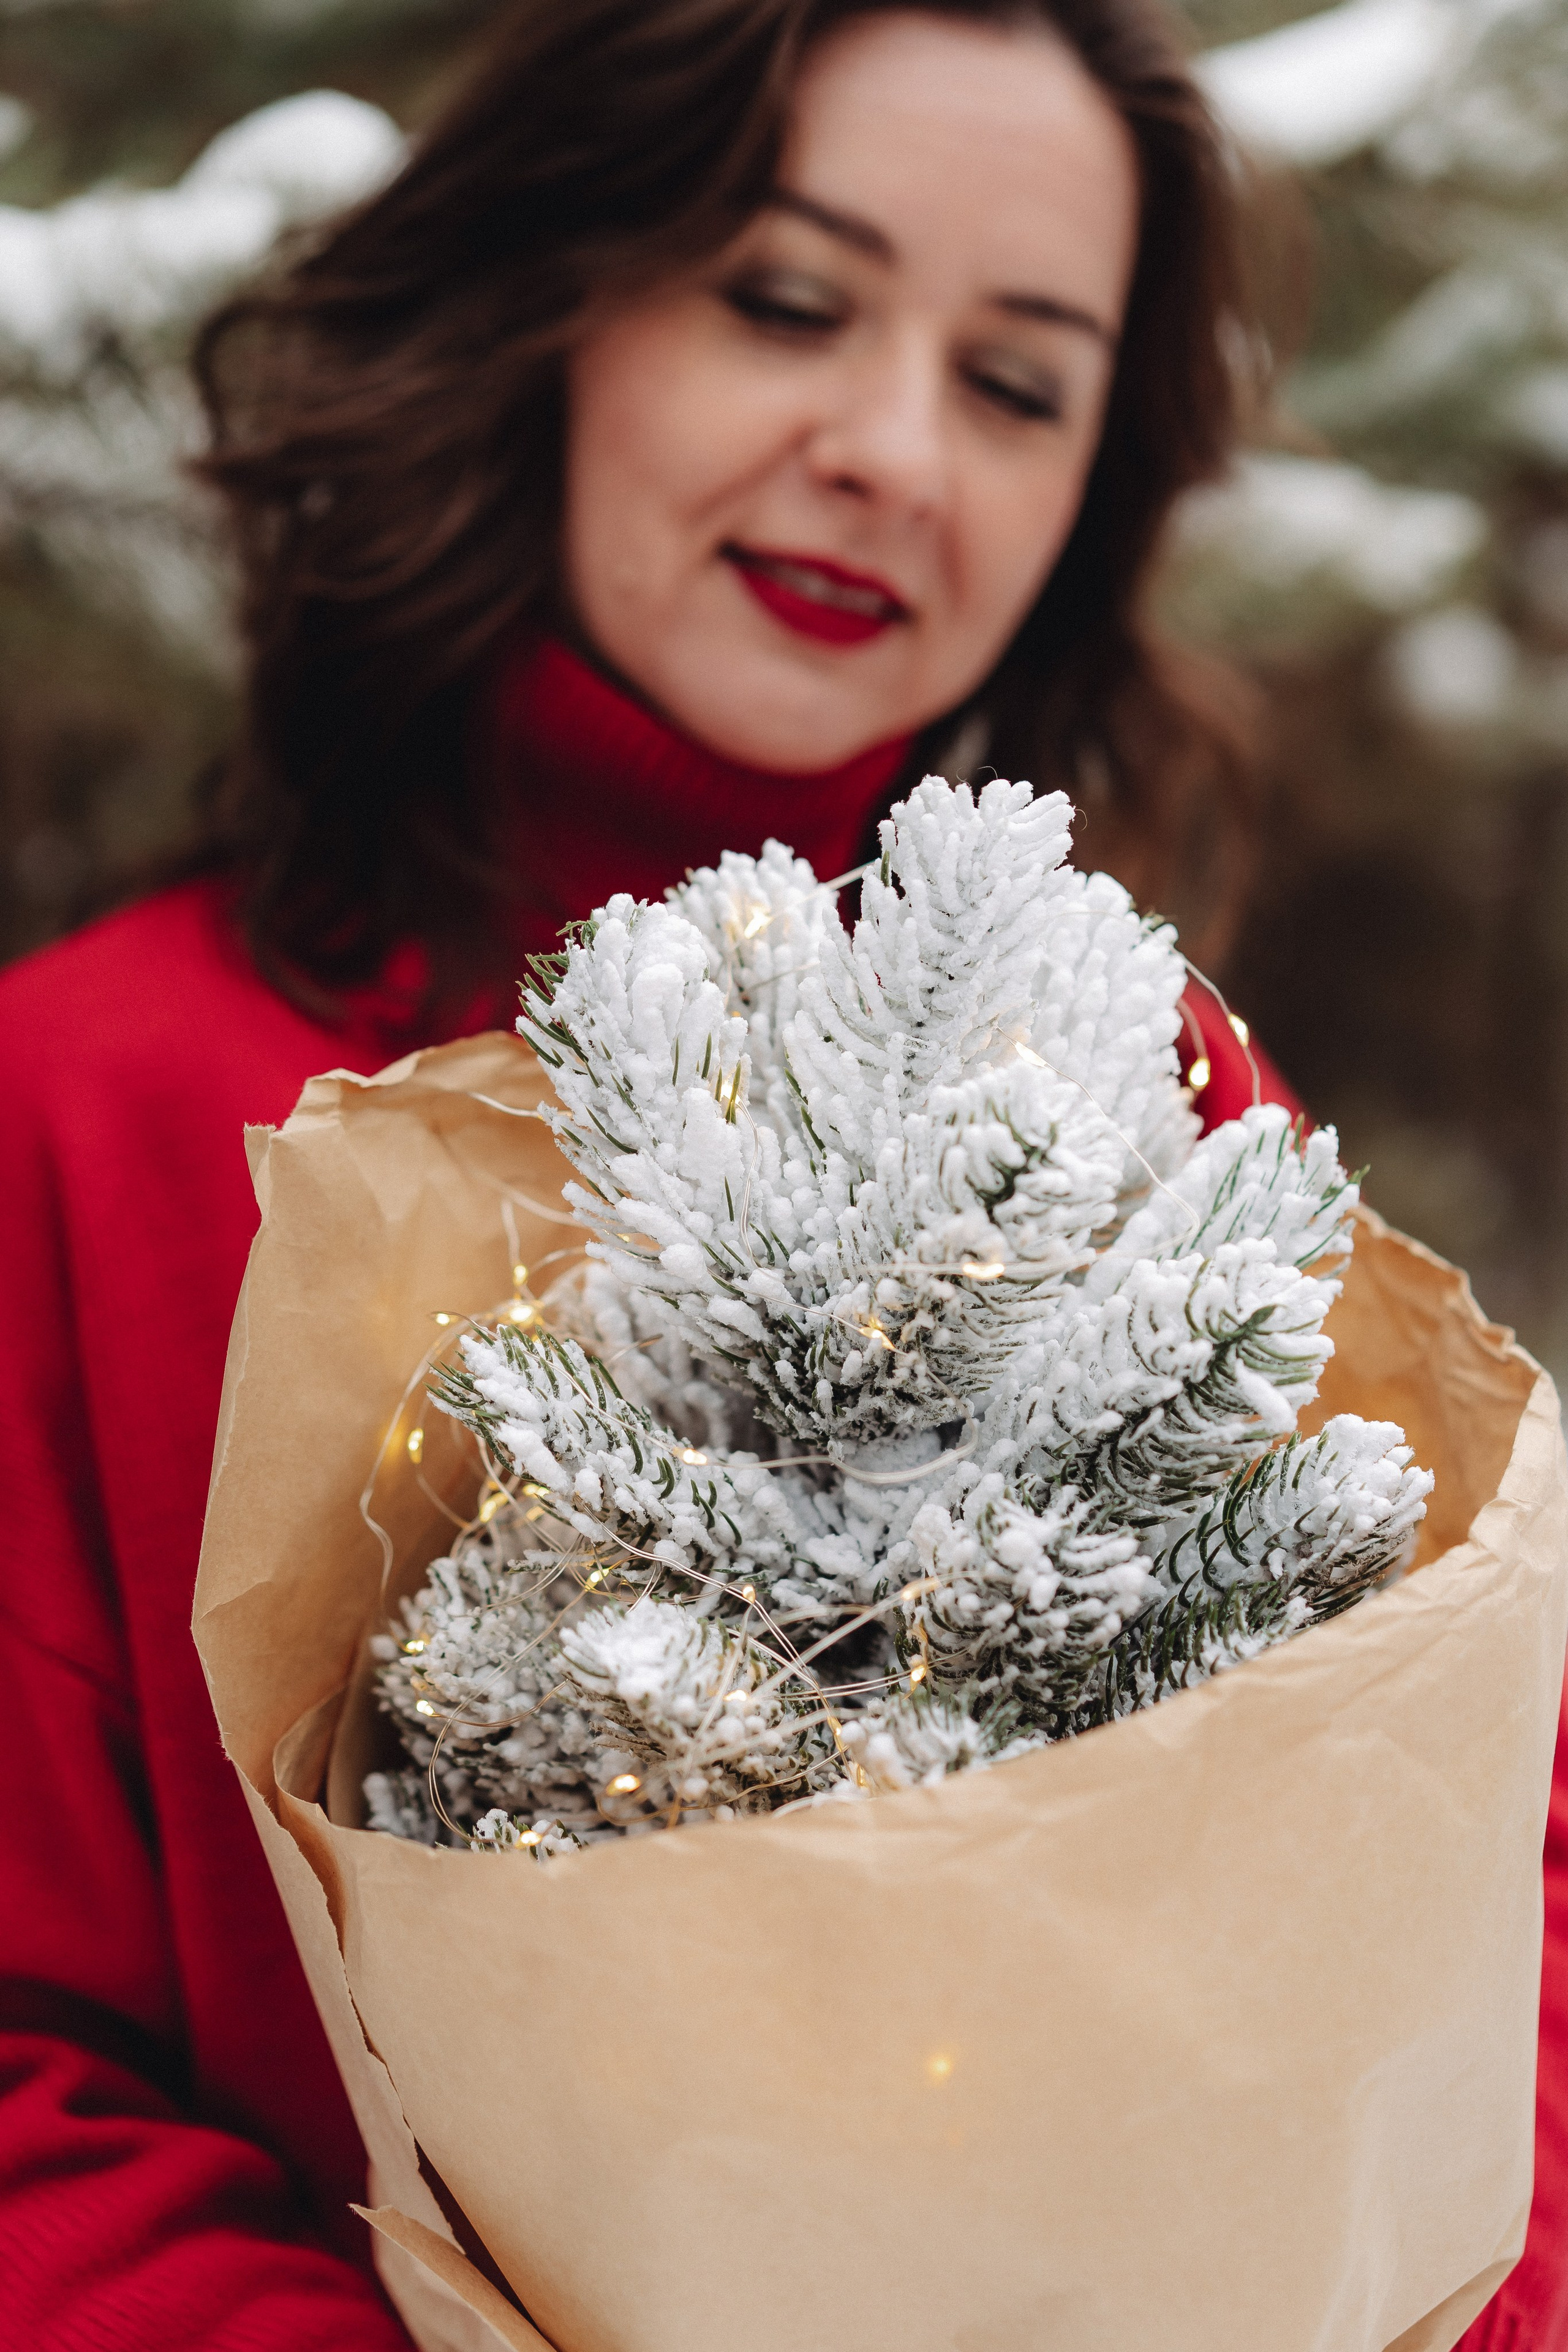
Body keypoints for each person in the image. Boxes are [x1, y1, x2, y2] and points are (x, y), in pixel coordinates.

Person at [0, 0, 1551, 2344]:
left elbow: (1483, 1899)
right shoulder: (86, 1112)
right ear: (555, 301)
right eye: (786, 302)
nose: (893, 454)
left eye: (1019, 385)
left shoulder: (1156, 1114)